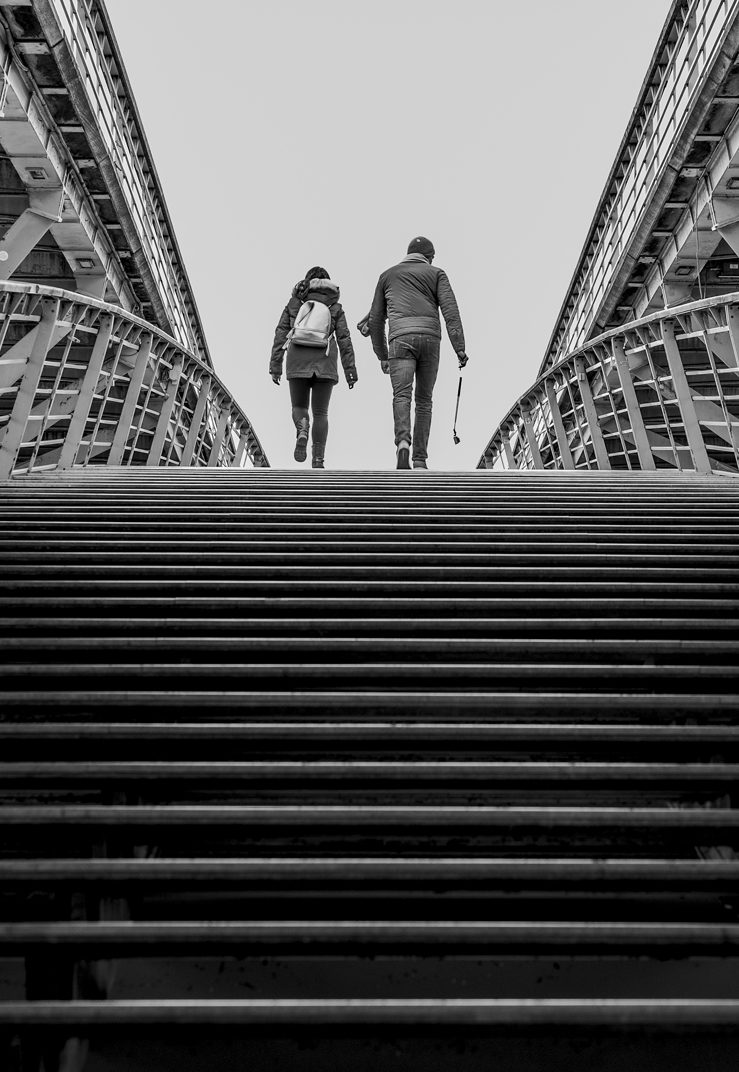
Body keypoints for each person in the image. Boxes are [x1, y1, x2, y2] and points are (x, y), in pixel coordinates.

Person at [369, 237, 468, 469]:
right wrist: (460, 348)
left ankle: (403, 443)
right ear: (429, 256)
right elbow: (450, 312)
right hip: (430, 339)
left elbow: (375, 320)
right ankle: (420, 459)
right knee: (424, 400)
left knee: (401, 396)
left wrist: (382, 354)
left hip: (400, 340)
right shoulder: (436, 274)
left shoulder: (387, 276)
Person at [270, 267, 357, 468]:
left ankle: (302, 428)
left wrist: (275, 365)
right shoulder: (334, 306)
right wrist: (350, 370)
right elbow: (344, 339)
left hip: (297, 359)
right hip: (324, 362)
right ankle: (318, 459)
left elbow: (281, 333)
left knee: (299, 407)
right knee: (321, 413)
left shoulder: (295, 303)